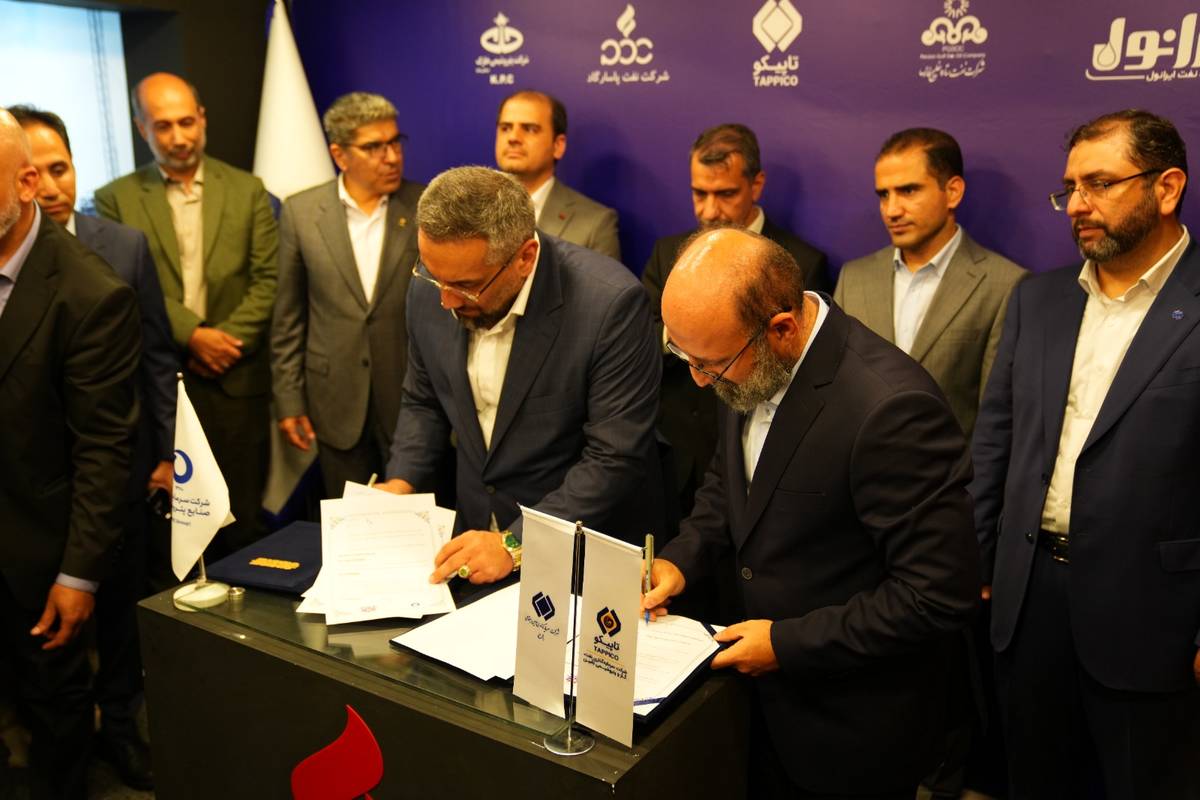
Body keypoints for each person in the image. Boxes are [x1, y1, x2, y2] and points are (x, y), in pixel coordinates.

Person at [642, 226, 979, 798]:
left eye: (711, 365)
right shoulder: (742, 356)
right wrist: (680, 560)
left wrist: (786, 644)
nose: (698, 380)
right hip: (758, 710)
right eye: (684, 357)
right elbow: (731, 486)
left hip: (851, 724)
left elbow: (937, 595)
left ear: (781, 329)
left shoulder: (891, 409)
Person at [971, 109, 1200, 798]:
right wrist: (980, 566)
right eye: (1069, 187)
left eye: (1099, 184)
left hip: (1155, 613)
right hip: (1029, 600)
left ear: (1166, 188)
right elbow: (995, 440)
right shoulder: (1036, 300)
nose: (1076, 204)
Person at [375, 166, 661, 584]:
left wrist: (515, 542)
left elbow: (613, 457)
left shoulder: (608, 306)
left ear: (524, 258)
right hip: (474, 538)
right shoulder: (431, 287)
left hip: (576, 554)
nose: (446, 300)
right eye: (434, 277)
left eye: (466, 286)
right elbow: (424, 401)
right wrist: (402, 482)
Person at [13, 104, 177, 791]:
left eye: (61, 168)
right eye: (39, 171)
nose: (53, 185)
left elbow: (157, 360)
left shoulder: (118, 250)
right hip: (33, 492)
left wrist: (166, 454)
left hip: (117, 472)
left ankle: (122, 726)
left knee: (118, 614)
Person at [95, 72, 278, 553]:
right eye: (162, 126)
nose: (178, 137)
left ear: (202, 119)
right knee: (176, 527)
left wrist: (223, 341)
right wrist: (194, 334)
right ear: (142, 128)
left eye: (185, 122)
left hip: (237, 377)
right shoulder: (114, 199)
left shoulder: (248, 189)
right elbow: (122, 288)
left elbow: (268, 280)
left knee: (242, 517)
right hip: (160, 383)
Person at [642, 123, 829, 521]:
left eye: (725, 194)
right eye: (699, 193)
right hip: (676, 455)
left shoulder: (800, 263)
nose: (710, 211)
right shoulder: (668, 254)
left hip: (757, 456)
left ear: (756, 185)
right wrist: (689, 330)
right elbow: (641, 343)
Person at [271, 92, 423, 498]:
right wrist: (289, 400)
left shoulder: (424, 205)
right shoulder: (302, 212)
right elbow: (288, 316)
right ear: (339, 155)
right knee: (349, 521)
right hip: (334, 400)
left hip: (411, 401)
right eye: (374, 147)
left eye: (395, 143)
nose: (391, 157)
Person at [835, 127, 1026, 439]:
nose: (891, 210)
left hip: (948, 468)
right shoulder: (853, 278)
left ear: (953, 192)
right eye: (884, 194)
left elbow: (995, 419)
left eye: (909, 191)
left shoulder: (1004, 285)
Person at [494, 89, 621, 261]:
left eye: (530, 129)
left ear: (558, 146)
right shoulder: (469, 210)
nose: (513, 137)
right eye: (505, 128)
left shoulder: (596, 224)